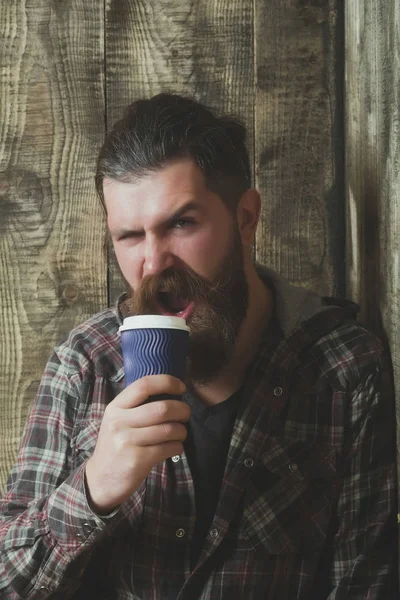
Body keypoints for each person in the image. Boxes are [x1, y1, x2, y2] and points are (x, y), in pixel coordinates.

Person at [0, 93, 398, 600]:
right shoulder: (86, 363)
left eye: (181, 224)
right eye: (129, 236)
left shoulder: (344, 368)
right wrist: (94, 490)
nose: (153, 263)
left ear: (246, 217)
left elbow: (366, 584)